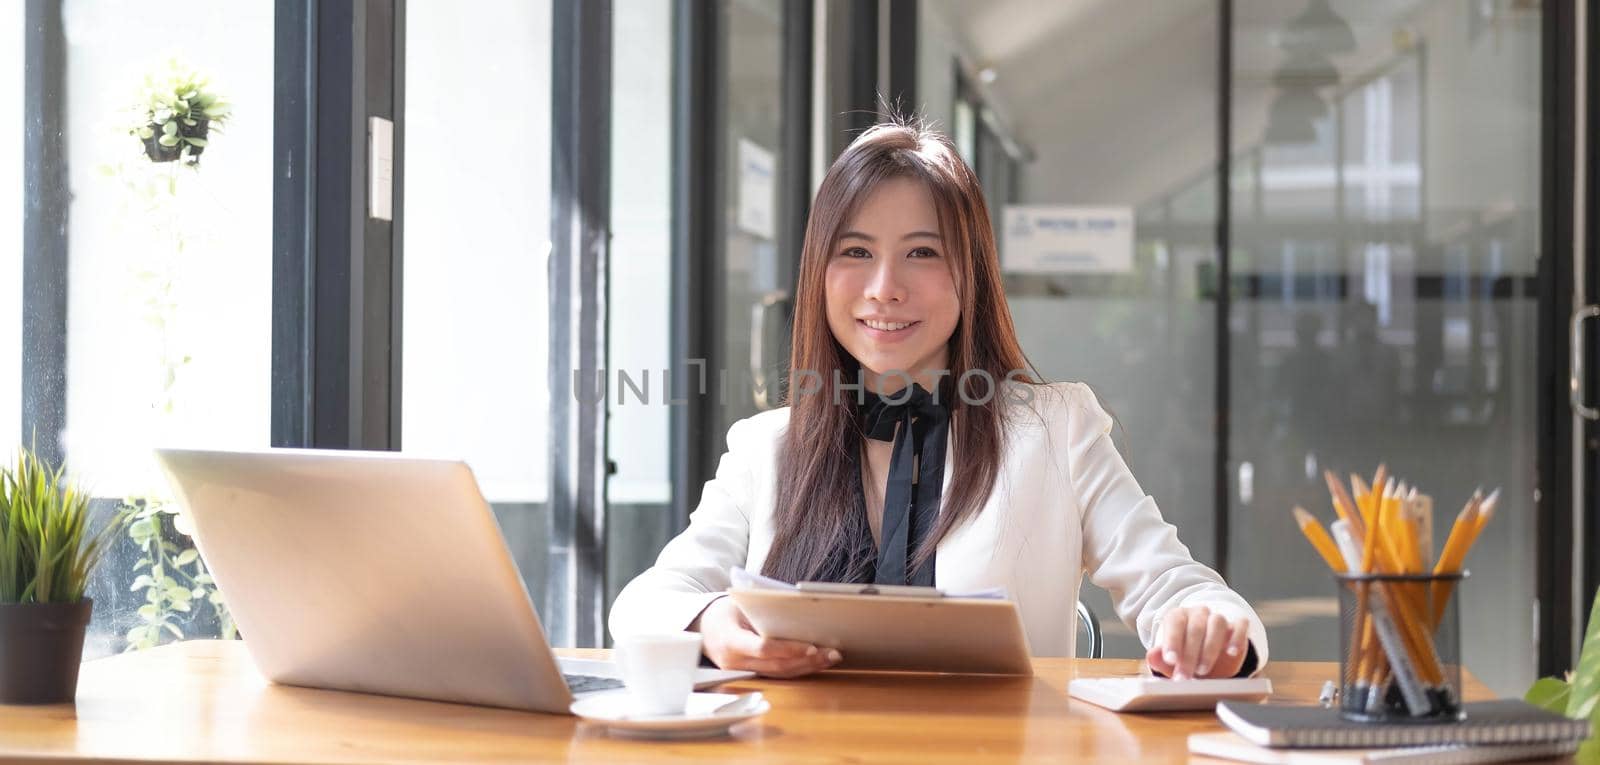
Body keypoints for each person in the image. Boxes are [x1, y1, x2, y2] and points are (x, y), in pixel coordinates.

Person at [609, 119, 1267, 680]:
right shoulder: (766, 446)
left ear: (969, 270)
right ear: (818, 275)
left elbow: (1181, 589)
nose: (884, 287)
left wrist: (1205, 628)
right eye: (856, 252)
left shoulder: (1056, 428)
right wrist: (712, 619)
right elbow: (645, 602)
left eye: (922, 252)